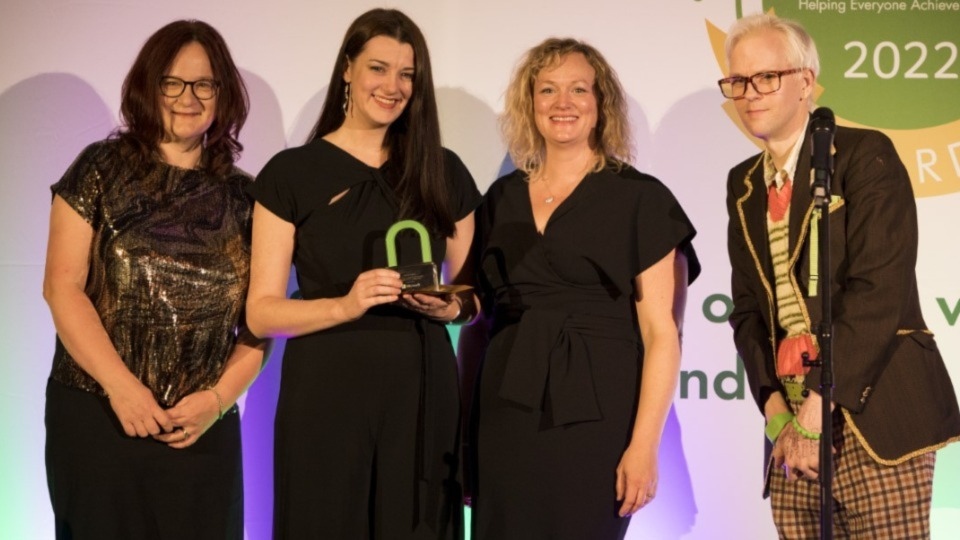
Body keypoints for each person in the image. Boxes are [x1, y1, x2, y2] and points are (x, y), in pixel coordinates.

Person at [720, 12, 960, 538]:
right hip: (791, 429)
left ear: (805, 82)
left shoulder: (862, 155)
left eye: (766, 77)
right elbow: (745, 312)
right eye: (738, 81)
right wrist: (777, 411)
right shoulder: (743, 184)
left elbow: (880, 292)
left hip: (874, 413)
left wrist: (816, 408)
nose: (750, 93)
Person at [244, 8, 480, 539]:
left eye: (406, 75)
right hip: (326, 387)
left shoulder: (443, 170)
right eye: (378, 68)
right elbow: (260, 313)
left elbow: (473, 292)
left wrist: (452, 306)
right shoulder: (291, 174)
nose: (392, 86)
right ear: (347, 69)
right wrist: (346, 305)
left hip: (421, 387)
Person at [467, 38, 699, 539]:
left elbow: (663, 334)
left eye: (578, 89)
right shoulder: (499, 199)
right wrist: (465, 436)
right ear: (530, 105)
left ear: (601, 104)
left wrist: (643, 447)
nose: (562, 102)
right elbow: (477, 326)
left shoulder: (642, 199)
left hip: (597, 418)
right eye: (547, 90)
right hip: (505, 414)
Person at [42, 20, 265, 539]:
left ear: (222, 93)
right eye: (173, 82)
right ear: (149, 86)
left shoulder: (249, 199)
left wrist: (216, 400)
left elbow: (262, 320)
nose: (188, 98)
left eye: (204, 84)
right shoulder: (99, 168)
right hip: (100, 416)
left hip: (202, 429)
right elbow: (62, 287)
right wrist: (123, 390)